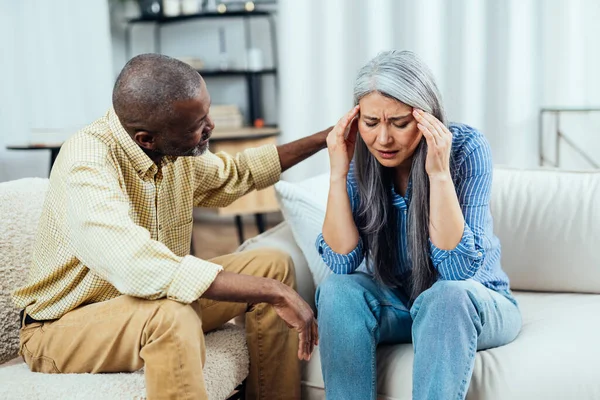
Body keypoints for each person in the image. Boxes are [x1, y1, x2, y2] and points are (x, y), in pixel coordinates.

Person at [12, 53, 327, 400]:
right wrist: (271, 292)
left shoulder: (171, 152)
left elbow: (235, 175)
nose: (211, 127)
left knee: (272, 266)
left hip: (141, 303)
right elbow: (136, 264)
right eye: (198, 124)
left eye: (207, 113)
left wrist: (326, 139)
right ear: (147, 138)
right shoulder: (86, 163)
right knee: (171, 317)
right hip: (61, 329)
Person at [315, 50, 522, 399]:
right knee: (337, 289)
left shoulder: (466, 149)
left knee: (446, 296)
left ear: (426, 117)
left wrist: (438, 173)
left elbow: (456, 270)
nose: (383, 139)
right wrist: (338, 173)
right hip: (401, 305)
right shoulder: (360, 159)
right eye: (371, 123)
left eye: (399, 123)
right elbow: (342, 260)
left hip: (473, 302)